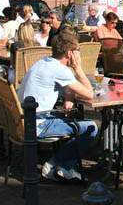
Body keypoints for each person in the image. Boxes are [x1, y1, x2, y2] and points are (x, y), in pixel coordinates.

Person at [17, 30, 97, 182]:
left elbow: (67, 88)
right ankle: (59, 165)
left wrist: (69, 97)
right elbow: (89, 94)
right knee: (91, 127)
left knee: (73, 118)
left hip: (23, 118)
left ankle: (64, 163)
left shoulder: (43, 62)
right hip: (39, 124)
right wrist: (78, 68)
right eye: (77, 51)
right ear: (69, 53)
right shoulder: (60, 69)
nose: (79, 55)